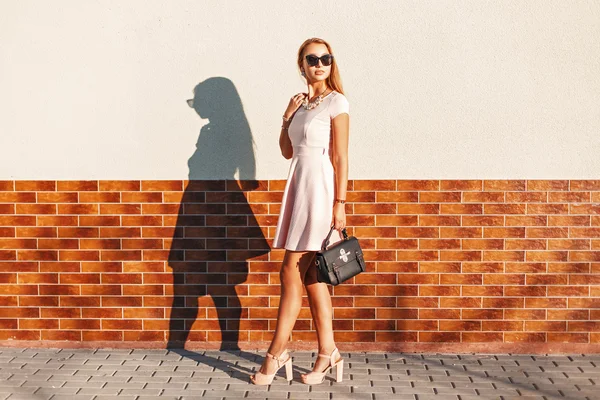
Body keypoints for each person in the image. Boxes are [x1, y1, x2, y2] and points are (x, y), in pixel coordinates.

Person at [250, 37, 350, 386]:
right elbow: (286, 151)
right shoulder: (305, 104)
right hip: (299, 186)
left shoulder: (337, 102)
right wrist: (286, 117)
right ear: (302, 65)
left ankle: (276, 354)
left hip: (320, 191)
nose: (320, 63)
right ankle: (328, 352)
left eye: (326, 58)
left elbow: (340, 157)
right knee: (312, 277)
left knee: (290, 268)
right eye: (313, 58)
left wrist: (340, 204)